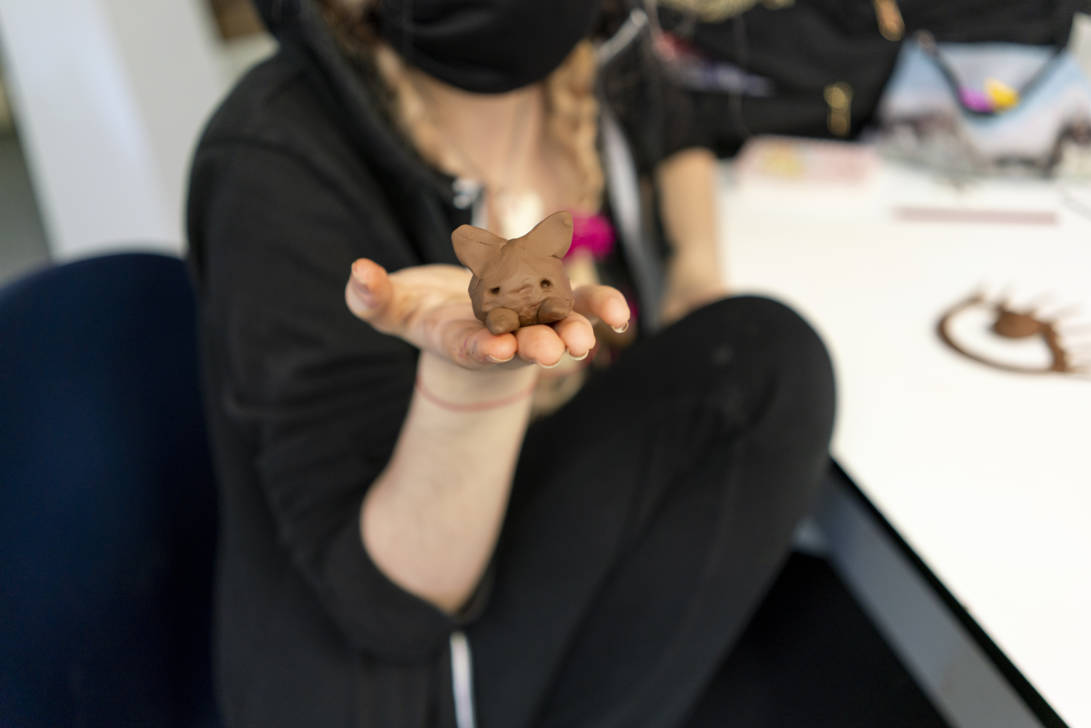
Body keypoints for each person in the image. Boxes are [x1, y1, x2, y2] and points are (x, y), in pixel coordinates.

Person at [186, 1, 835, 726]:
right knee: (767, 369)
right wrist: (473, 384)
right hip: (384, 675)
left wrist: (695, 260)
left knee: (757, 368)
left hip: (539, 547)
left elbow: (674, 124)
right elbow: (391, 605)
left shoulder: (597, 67)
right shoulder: (273, 160)